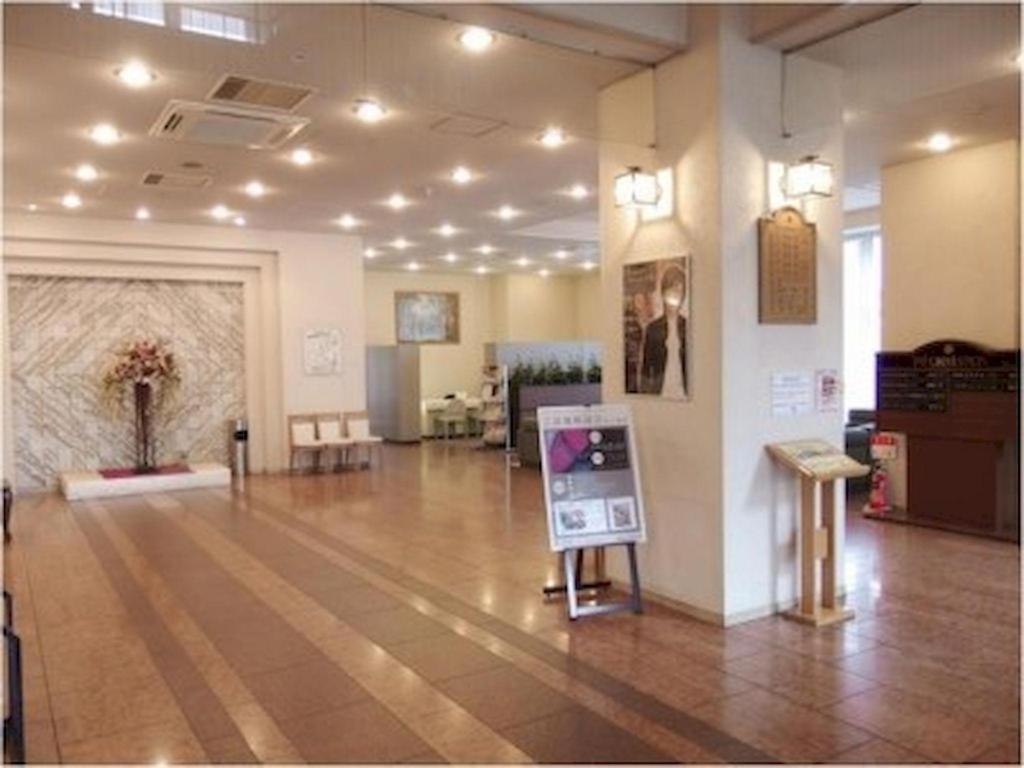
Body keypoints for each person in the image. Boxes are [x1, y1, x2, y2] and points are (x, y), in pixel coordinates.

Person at [640, 264, 687, 398]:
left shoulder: (688, 327)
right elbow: (646, 370)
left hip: (684, 395)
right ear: (663, 293)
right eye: (671, 291)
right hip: (661, 395)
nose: (675, 297)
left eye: (679, 292)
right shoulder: (653, 328)